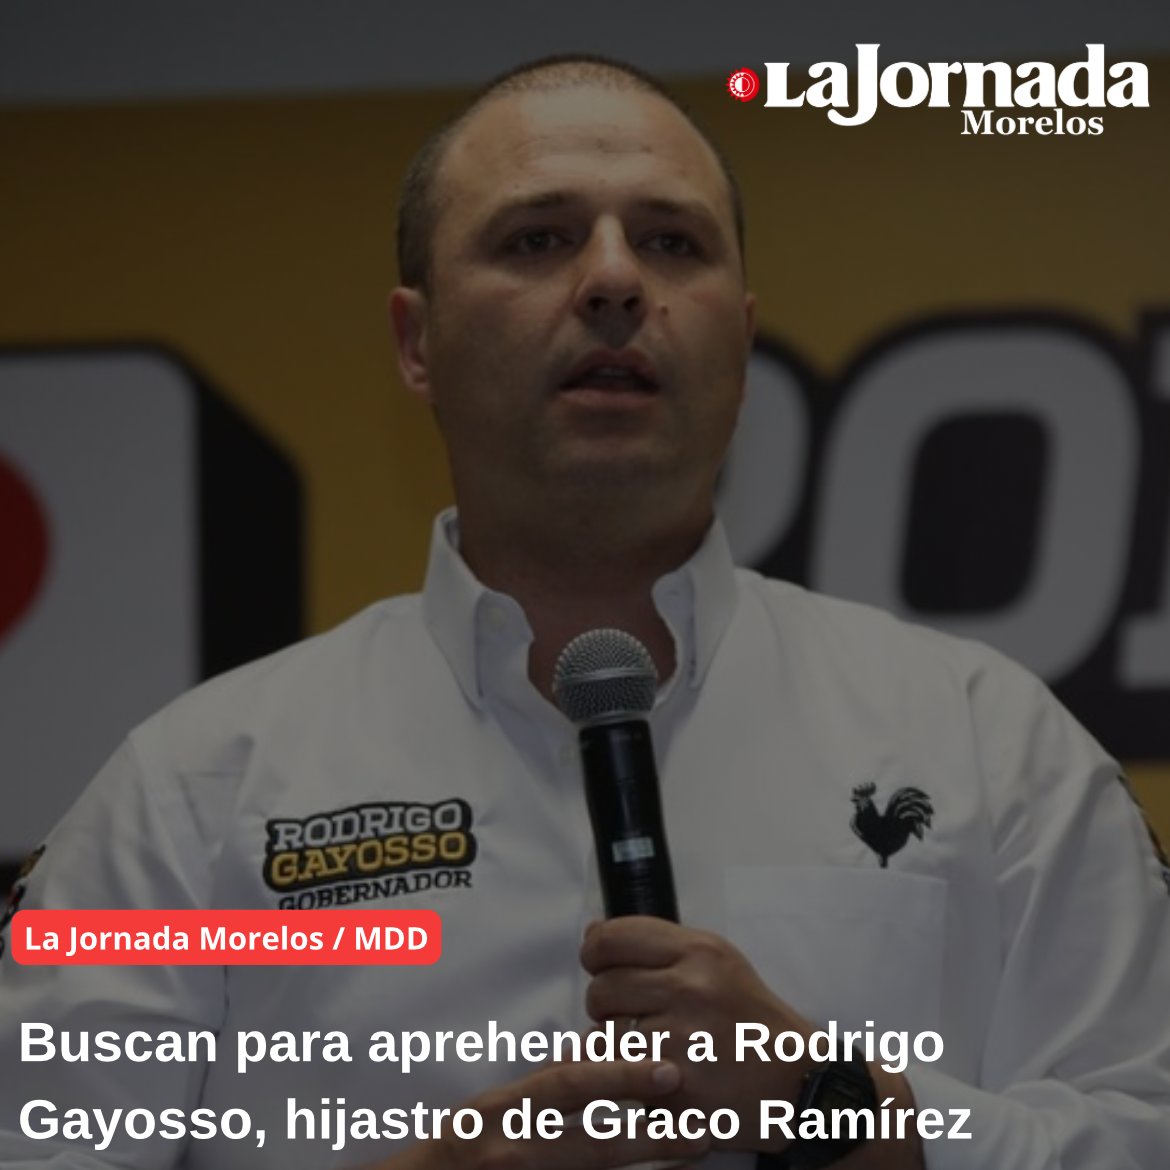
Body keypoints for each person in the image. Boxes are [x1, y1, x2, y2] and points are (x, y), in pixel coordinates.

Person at [2, 54, 1169, 1170]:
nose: (614, 280)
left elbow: (1142, 1134)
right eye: (537, 238)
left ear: (742, 338)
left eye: (671, 241)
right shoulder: (190, 796)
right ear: (417, 341)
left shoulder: (989, 746)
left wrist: (828, 1102)